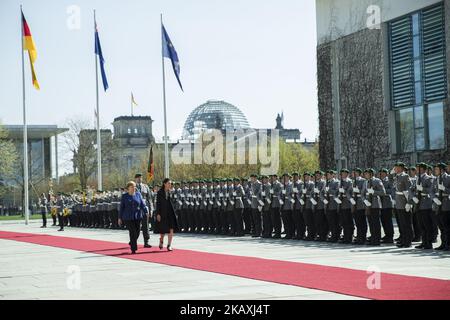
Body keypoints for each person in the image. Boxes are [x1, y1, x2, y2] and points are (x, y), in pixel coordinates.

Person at [119, 181, 148, 254]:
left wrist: (146, 211)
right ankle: (133, 249)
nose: (133, 188)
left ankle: (132, 242)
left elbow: (142, 204)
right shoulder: (125, 196)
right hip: (128, 217)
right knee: (132, 232)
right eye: (132, 187)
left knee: (137, 232)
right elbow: (121, 207)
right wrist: (119, 218)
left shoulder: (138, 194)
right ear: (128, 188)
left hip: (137, 216)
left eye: (134, 187)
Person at [155, 178, 178, 251]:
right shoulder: (160, 193)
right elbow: (158, 204)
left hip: (170, 213)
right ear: (164, 184)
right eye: (168, 183)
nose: (170, 185)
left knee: (171, 229)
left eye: (170, 183)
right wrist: (158, 214)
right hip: (162, 213)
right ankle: (161, 240)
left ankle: (169, 245)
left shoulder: (171, 192)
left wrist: (175, 212)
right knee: (163, 230)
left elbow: (174, 202)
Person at [135, 174, 152, 248]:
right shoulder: (133, 187)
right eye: (138, 178)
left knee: (146, 226)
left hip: (145, 208)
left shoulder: (145, 186)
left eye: (140, 178)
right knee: (137, 226)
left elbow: (149, 199)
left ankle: (146, 241)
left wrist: (151, 209)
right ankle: (134, 240)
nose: (139, 179)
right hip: (136, 209)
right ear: (135, 179)